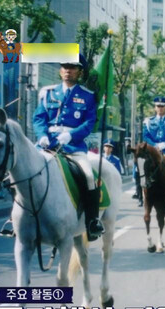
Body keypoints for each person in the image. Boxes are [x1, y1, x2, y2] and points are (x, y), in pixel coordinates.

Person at [31, 54, 104, 239]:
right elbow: (39, 118)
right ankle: (16, 219)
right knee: (24, 169)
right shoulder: (48, 93)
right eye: (64, 66)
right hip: (47, 145)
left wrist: (70, 135)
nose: (67, 70)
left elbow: (89, 123)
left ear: (79, 71)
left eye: (72, 67)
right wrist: (41, 137)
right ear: (60, 70)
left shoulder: (87, 96)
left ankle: (92, 221)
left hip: (73, 148)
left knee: (88, 176)